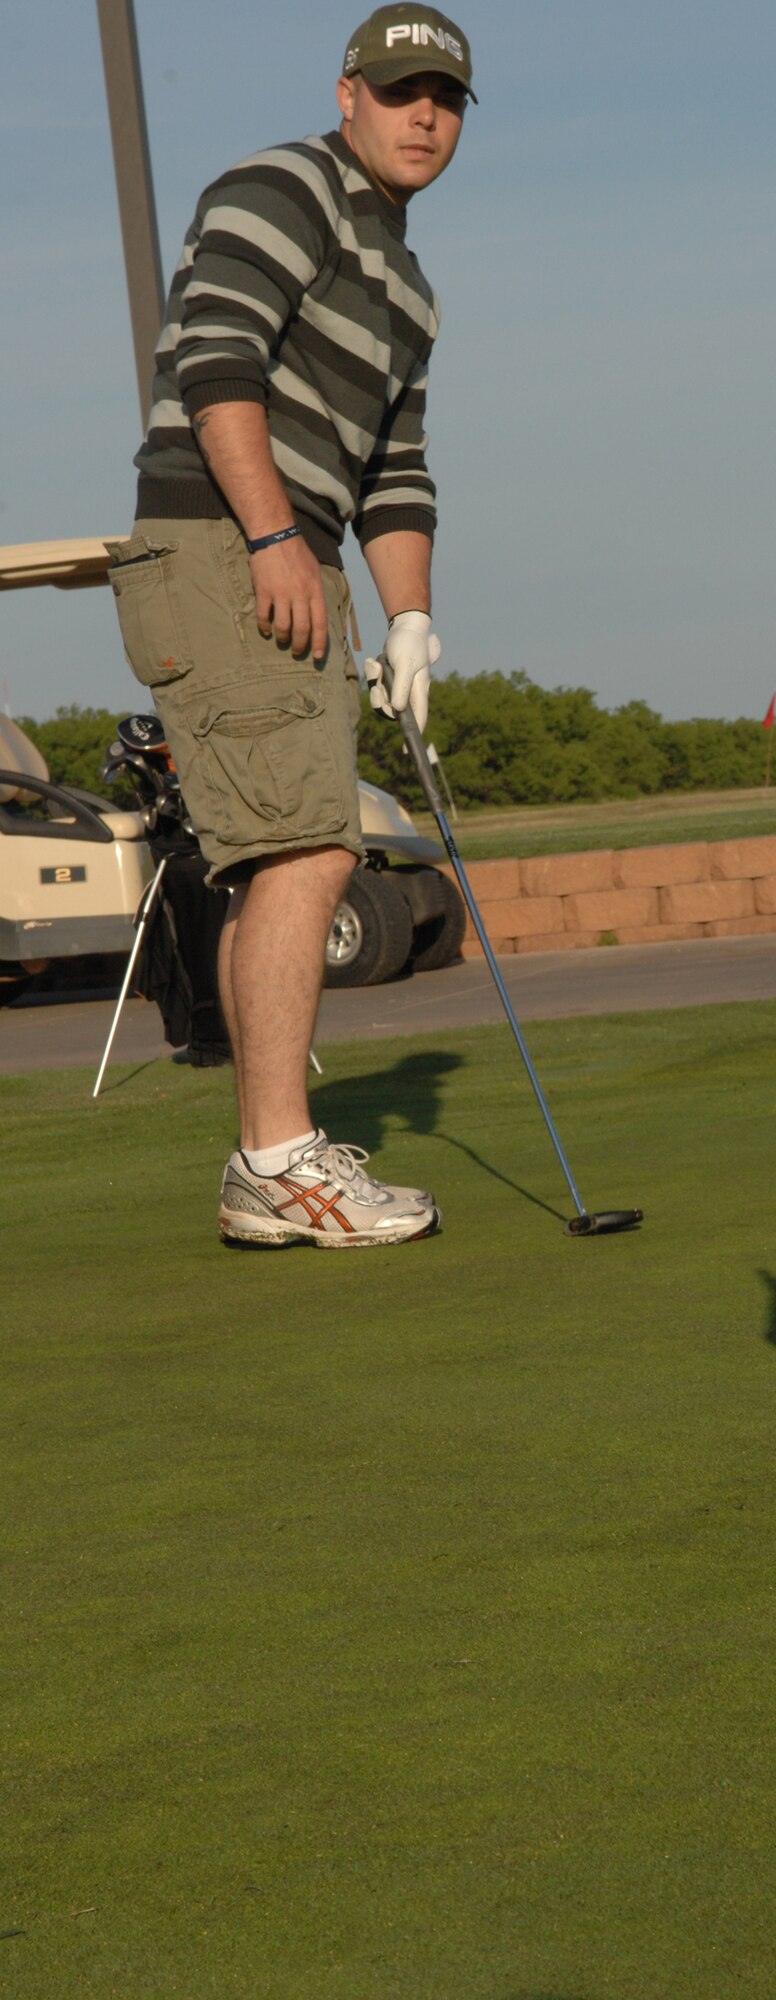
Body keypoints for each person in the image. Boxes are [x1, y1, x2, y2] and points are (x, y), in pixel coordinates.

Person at [106, 5, 476, 1249]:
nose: (426, 114)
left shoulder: (410, 286)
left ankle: (273, 1160)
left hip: (294, 555)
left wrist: (412, 616)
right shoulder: (285, 187)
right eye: (402, 90)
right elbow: (217, 365)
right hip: (223, 542)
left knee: (297, 845)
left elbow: (398, 473)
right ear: (349, 94)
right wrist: (273, 537)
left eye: (447, 97)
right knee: (307, 851)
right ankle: (274, 1159)